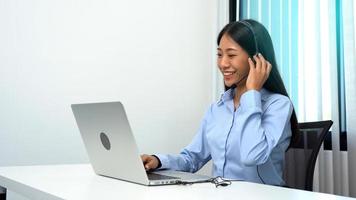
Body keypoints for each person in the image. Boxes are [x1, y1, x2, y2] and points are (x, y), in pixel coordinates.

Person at [141, 19, 298, 186]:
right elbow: (192, 158)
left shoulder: (278, 105)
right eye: (219, 54)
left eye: (231, 55)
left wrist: (252, 93)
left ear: (256, 59)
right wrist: (158, 161)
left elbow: (252, 156)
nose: (223, 63)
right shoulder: (218, 108)